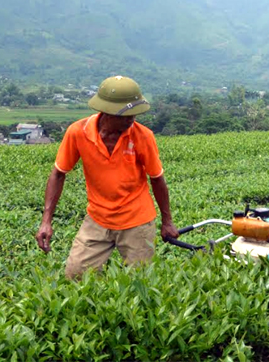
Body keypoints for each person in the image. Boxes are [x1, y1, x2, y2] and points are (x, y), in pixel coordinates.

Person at [35, 75, 180, 279]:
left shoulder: (143, 136)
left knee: (140, 283)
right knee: (76, 276)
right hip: (97, 219)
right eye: (126, 115)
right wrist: (46, 221)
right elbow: (58, 174)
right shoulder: (78, 132)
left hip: (137, 221)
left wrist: (167, 221)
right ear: (107, 112)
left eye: (134, 114)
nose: (132, 119)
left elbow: (157, 179)